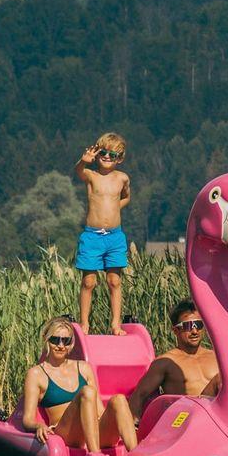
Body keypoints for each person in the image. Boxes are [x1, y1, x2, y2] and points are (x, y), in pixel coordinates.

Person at [21, 317, 137, 456]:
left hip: (93, 431)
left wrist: (117, 422)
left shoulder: (83, 368)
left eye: (66, 341)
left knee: (119, 399)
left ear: (71, 343)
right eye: (55, 340)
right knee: (87, 392)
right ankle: (95, 455)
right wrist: (39, 426)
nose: (61, 345)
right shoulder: (36, 374)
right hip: (67, 434)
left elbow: (99, 410)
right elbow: (27, 419)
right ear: (46, 340)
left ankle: (136, 455)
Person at [74, 132, 131, 334]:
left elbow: (126, 198)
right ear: (97, 154)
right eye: (103, 153)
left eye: (112, 155)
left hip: (115, 237)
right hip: (92, 236)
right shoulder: (91, 175)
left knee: (114, 281)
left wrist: (114, 208)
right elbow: (79, 171)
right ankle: (84, 323)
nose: (107, 157)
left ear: (119, 158)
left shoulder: (122, 178)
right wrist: (83, 161)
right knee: (89, 282)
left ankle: (115, 324)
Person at [128, 299, 222, 415]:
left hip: (217, 418)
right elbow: (139, 395)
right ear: (175, 330)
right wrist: (135, 424)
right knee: (219, 379)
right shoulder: (166, 362)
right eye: (188, 326)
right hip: (186, 417)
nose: (194, 331)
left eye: (198, 325)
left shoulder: (217, 357)